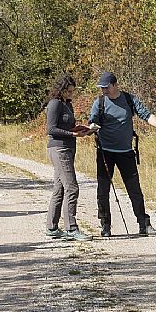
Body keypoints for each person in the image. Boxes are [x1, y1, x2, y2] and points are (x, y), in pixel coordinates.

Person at [88, 72, 156, 237]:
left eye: (106, 87)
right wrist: (92, 126)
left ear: (115, 85)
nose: (104, 90)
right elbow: (92, 121)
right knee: (103, 190)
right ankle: (105, 225)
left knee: (134, 189)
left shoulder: (129, 100)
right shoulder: (99, 103)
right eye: (101, 88)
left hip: (126, 152)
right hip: (105, 152)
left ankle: (144, 225)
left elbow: (147, 115)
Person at [45, 74, 92, 241]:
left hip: (69, 148)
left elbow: (68, 126)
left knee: (60, 188)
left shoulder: (67, 105)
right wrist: (72, 133)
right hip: (59, 149)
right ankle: (71, 228)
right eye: (69, 91)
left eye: (73, 91)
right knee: (72, 188)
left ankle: (51, 227)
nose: (72, 93)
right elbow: (51, 129)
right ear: (62, 89)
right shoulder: (54, 104)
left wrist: (82, 129)